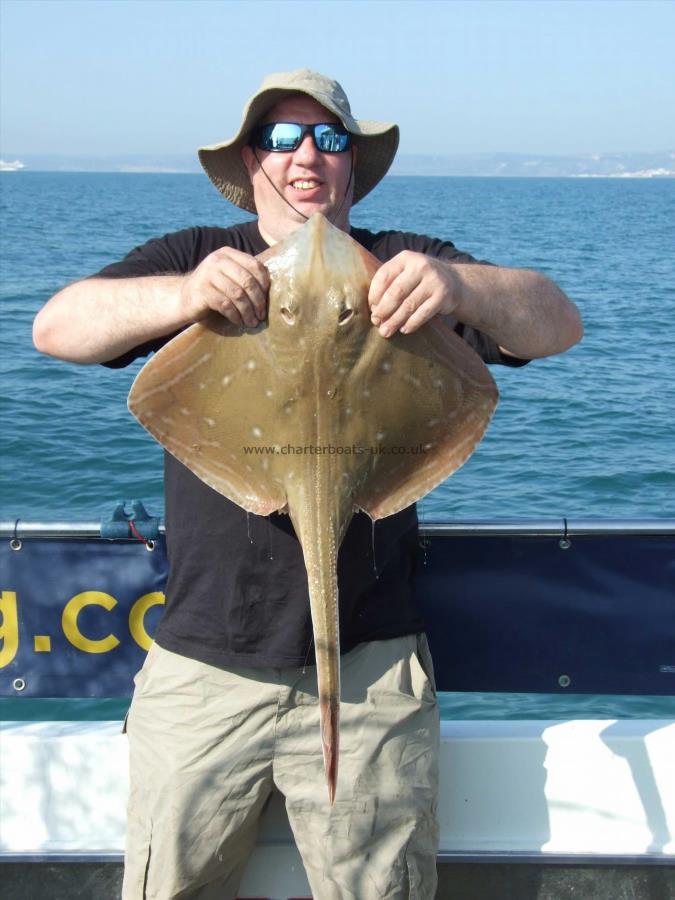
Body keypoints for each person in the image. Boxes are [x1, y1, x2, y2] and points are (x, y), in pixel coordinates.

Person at [33, 69, 582, 899]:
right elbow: (57, 327)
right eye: (282, 138)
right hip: (204, 667)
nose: (306, 157)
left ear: (351, 165)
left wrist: (460, 288)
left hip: (372, 667)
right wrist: (186, 296)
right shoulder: (193, 257)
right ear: (249, 161)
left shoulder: (403, 263)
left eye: (328, 140)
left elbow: (556, 323)